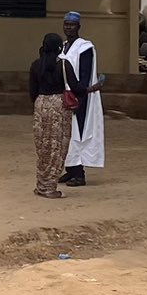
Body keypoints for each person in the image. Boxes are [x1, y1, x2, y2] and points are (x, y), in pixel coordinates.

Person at [62, 13, 104, 185]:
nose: (68, 28)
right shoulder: (64, 46)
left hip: (82, 95)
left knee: (80, 132)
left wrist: (80, 95)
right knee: (67, 133)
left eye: (72, 25)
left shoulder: (85, 47)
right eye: (66, 24)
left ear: (79, 27)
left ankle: (79, 174)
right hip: (65, 94)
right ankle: (70, 169)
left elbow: (85, 74)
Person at [29, 32, 72, 197]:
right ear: (60, 47)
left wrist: (41, 103)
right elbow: (75, 86)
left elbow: (32, 92)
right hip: (58, 106)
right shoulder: (63, 65)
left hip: (40, 105)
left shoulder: (35, 65)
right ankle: (49, 187)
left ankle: (41, 185)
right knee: (57, 146)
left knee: (43, 146)